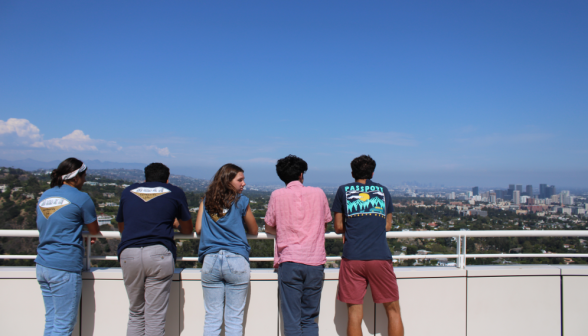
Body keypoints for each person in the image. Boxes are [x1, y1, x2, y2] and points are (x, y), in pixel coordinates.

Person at [116, 163, 193, 336]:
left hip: (129, 253)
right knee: (155, 317)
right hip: (158, 253)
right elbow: (187, 229)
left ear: (145, 178)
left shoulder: (128, 191)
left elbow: (122, 226)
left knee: (136, 313)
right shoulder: (175, 191)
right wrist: (173, 223)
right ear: (167, 179)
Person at [332, 155, 404, 336]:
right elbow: (387, 225)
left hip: (352, 257)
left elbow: (339, 226)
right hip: (379, 256)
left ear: (352, 173)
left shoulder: (343, 190)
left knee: (354, 314)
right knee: (393, 311)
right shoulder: (383, 191)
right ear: (372, 172)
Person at [264, 155, 332, 336]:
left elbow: (269, 226)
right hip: (315, 261)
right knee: (309, 318)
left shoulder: (277, 195)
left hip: (290, 260)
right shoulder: (319, 193)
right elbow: (325, 223)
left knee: (292, 320)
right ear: (302, 174)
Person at [36, 157, 101, 336]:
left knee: (51, 320)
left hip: (43, 264)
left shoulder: (46, 194)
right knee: (64, 325)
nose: (85, 179)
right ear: (76, 177)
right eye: (84, 176)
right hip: (64, 266)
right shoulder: (81, 198)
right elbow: (94, 230)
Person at [195, 163, 258, 336]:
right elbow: (254, 230)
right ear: (228, 181)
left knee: (212, 317)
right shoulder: (241, 201)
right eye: (240, 180)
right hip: (236, 260)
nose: (244, 183)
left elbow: (199, 229)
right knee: (234, 319)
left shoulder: (207, 201)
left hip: (211, 260)